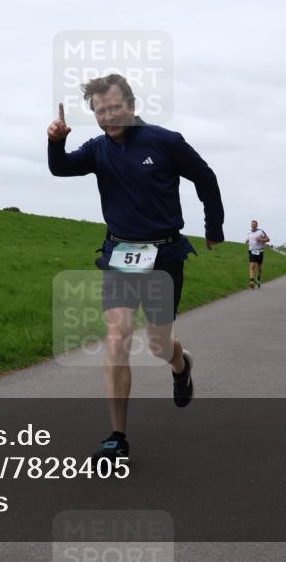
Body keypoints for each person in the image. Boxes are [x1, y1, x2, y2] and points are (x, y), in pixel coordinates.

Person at [47, 74, 224, 461]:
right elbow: (60, 169)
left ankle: (181, 364)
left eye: (114, 108)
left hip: (164, 256)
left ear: (131, 104)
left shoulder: (165, 142)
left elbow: (205, 177)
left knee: (160, 344)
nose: (108, 117)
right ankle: (116, 437)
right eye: (99, 111)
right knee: (118, 335)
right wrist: (55, 142)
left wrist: (214, 226)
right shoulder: (96, 149)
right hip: (119, 255)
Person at [245, 220, 270, 288]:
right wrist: (246, 241)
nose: (253, 225)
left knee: (259, 268)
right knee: (252, 266)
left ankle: (258, 280)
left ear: (257, 225)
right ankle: (252, 282)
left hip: (260, 251)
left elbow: (268, 239)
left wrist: (261, 240)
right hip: (251, 251)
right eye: (252, 224)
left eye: (254, 224)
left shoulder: (260, 231)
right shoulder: (249, 232)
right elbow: (248, 239)